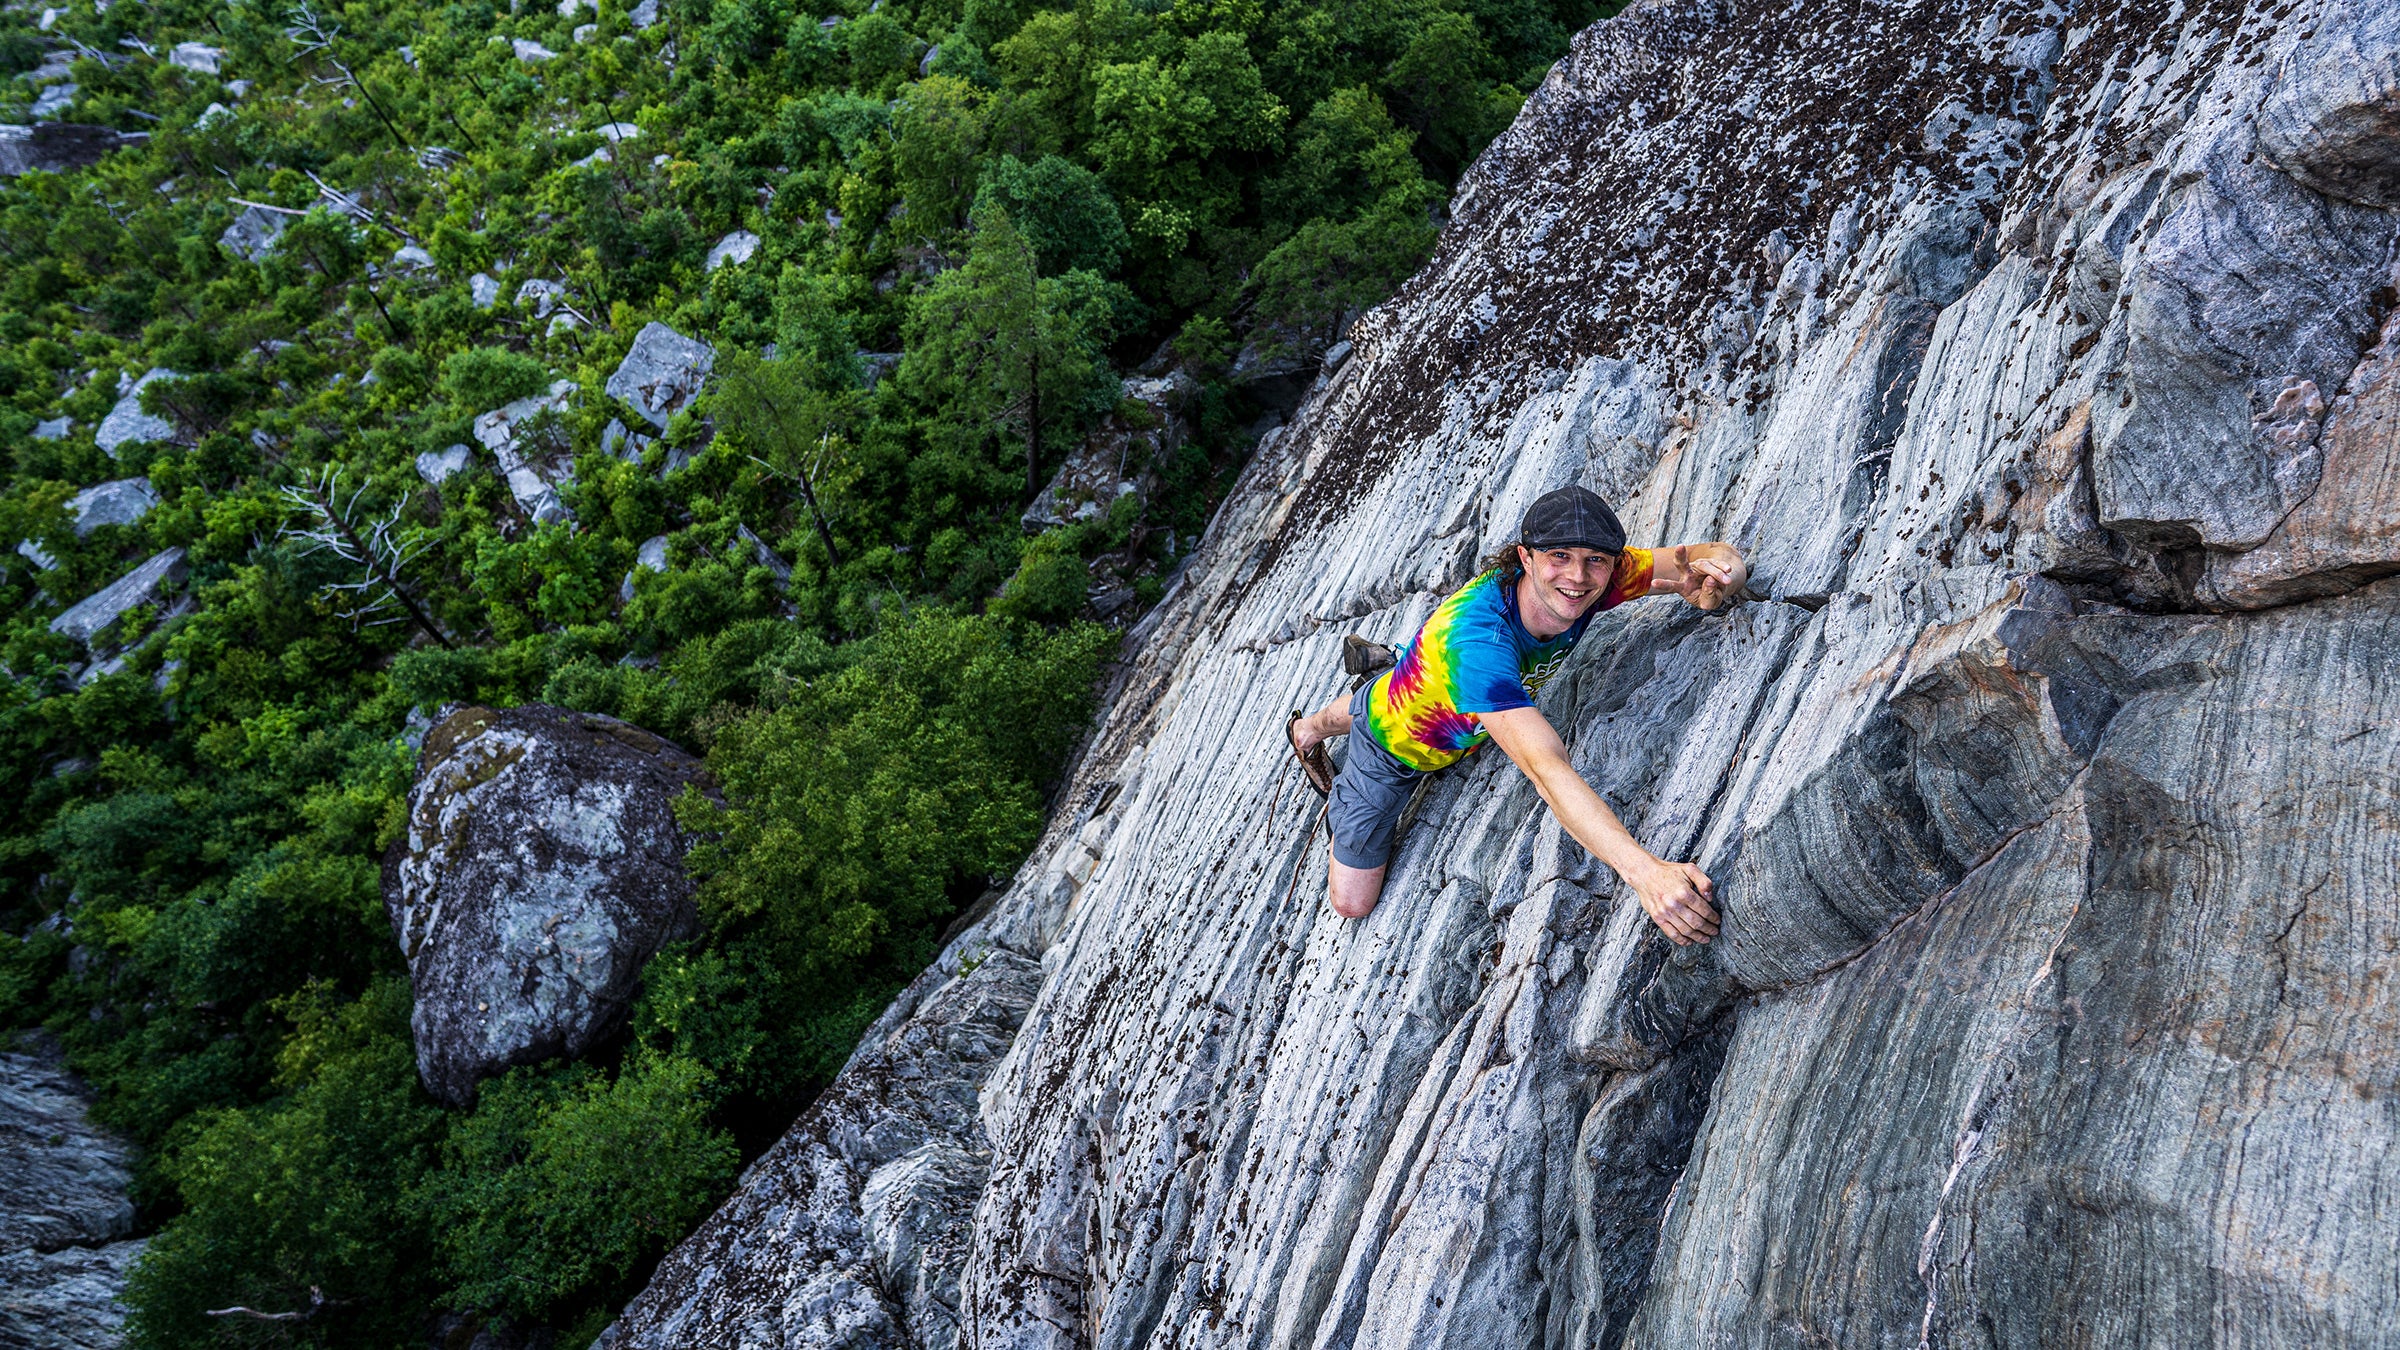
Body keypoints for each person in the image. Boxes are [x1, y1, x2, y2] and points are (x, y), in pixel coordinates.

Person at [1286, 486, 1746, 942]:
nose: (1578, 577)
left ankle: (1376, 681)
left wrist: (1722, 582)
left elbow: (1717, 554)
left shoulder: (1600, 576)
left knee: (1398, 692)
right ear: (1525, 558)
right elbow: (1545, 768)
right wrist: (1645, 873)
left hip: (1433, 696)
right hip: (1395, 750)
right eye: (1559, 556)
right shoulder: (1478, 643)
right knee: (1352, 901)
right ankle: (1328, 754)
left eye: (1594, 561)